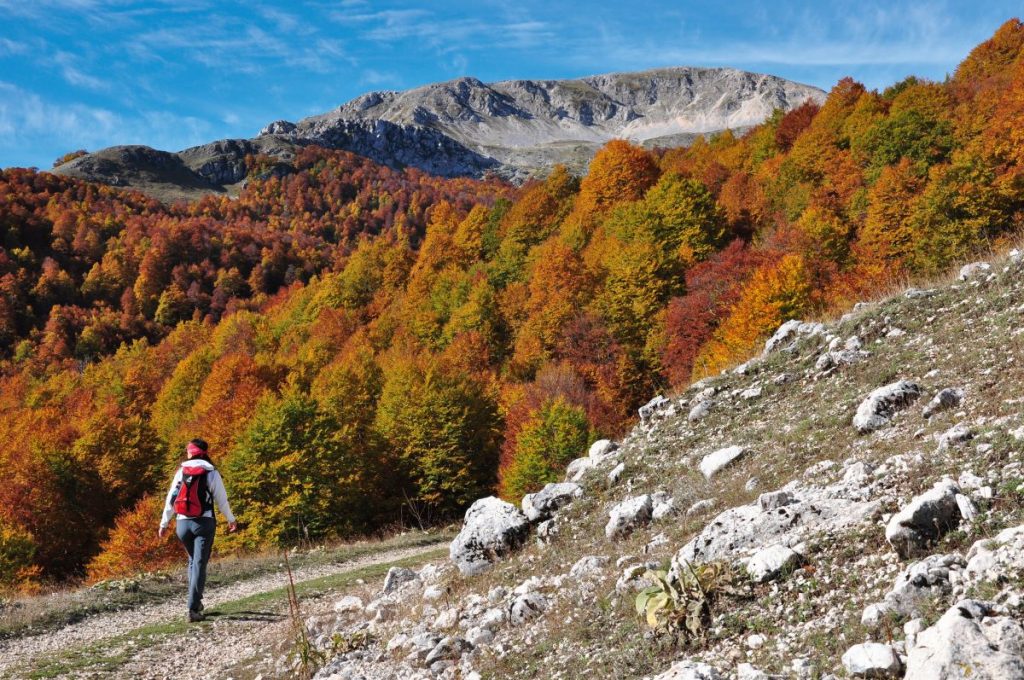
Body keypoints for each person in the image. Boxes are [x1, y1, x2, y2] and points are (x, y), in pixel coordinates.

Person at [158, 438, 238, 622]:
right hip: (204, 523)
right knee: (200, 564)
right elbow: (222, 500)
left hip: (182, 525)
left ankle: (196, 603)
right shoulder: (211, 472)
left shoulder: (181, 471)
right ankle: (193, 608)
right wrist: (231, 519)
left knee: (193, 561)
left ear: (190, 452)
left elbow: (171, 499)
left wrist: (164, 524)